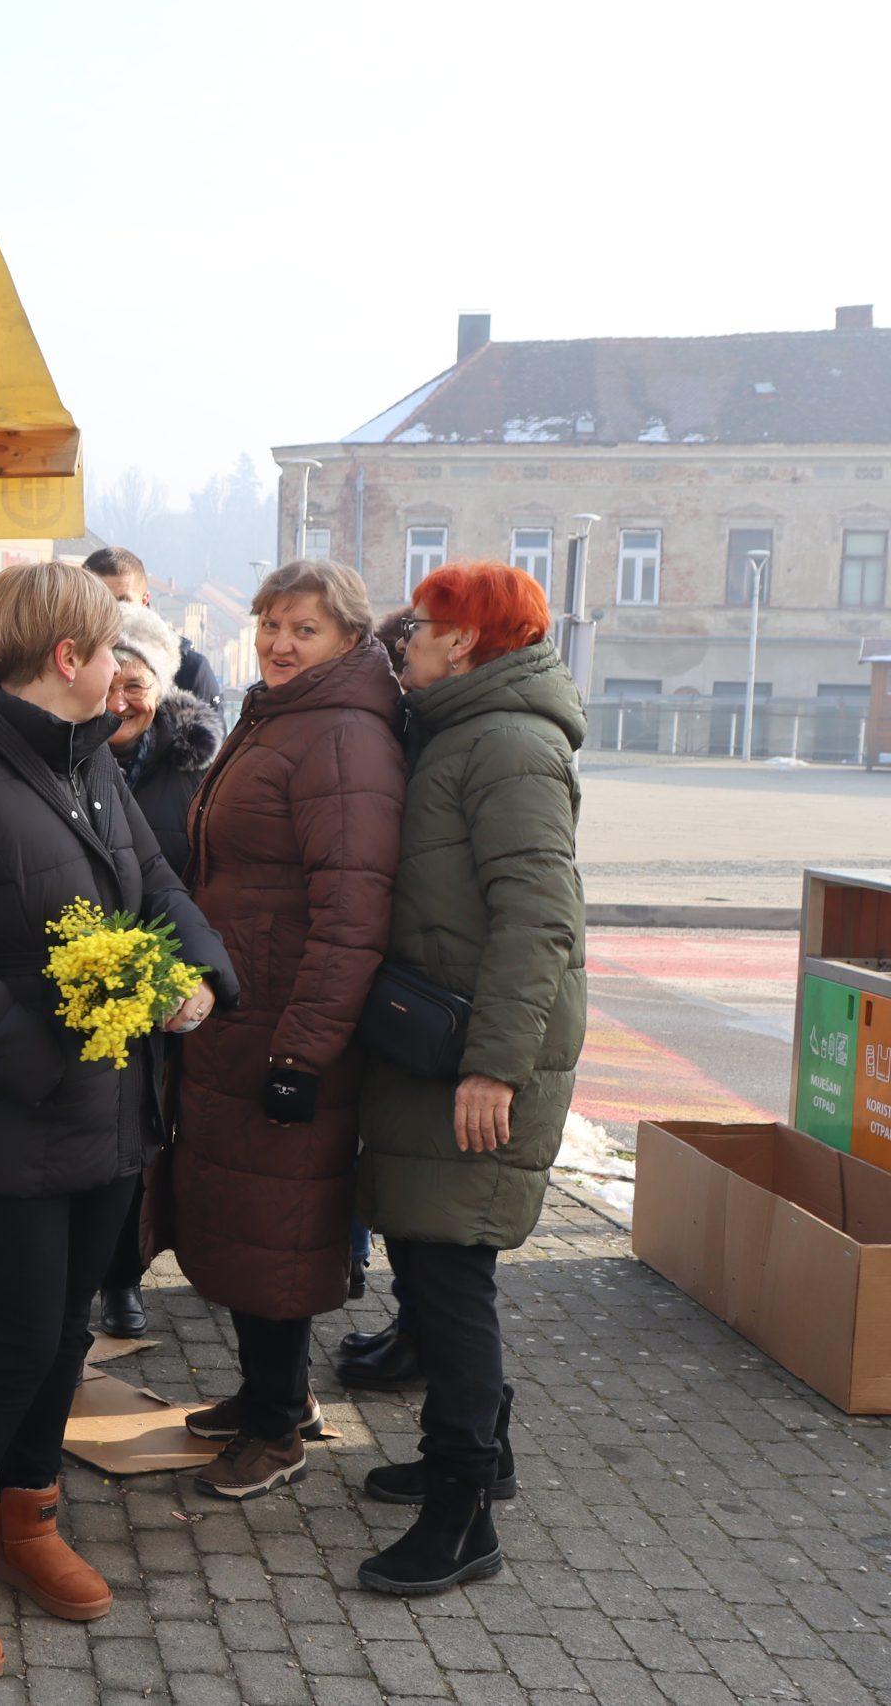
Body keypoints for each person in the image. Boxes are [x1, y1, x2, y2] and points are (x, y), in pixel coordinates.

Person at [0, 560, 233, 1680]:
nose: (128, 670)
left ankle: (27, 1518)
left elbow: (156, 885)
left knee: (70, 1333)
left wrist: (197, 971)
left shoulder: (87, 759)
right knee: (18, 1341)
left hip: (109, 1105)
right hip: (13, 1113)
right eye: (114, 649)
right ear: (69, 657)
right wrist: (38, 1059)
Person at [354, 563, 584, 1595]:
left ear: (467, 642)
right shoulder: (459, 729)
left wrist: (494, 1066)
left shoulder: (510, 746)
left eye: (424, 623)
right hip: (434, 1041)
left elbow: (539, 918)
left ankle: (462, 1518)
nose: (405, 636)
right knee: (428, 1253)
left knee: (450, 1274)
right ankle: (483, 1457)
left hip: (477, 1053)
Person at [171, 560, 405, 1501]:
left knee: (278, 1223)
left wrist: (303, 1050)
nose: (279, 642)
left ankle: (276, 1430)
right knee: (249, 1216)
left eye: (304, 629)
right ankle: (273, 1392)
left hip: (285, 1026)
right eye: (271, 623)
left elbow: (352, 913)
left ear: (348, 638)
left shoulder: (342, 735)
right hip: (244, 1015)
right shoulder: (282, 715)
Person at [91, 600, 224, 1340]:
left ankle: (123, 1278)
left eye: (135, 684)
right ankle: (95, 1267)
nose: (120, 700)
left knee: (145, 1135)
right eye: (110, 681)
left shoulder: (193, 762)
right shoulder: (69, 751)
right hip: (86, 971)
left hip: (166, 975)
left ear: (162, 685)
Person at [338, 602, 425, 1390]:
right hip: (399, 975)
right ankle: (412, 1327)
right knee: (397, 1165)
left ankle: (426, 1342)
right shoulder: (411, 726)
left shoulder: (453, 734)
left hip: (428, 993)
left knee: (432, 1199)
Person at [83, 545, 224, 713]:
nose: (112, 611)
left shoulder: (189, 670)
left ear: (144, 601)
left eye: (123, 602)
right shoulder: (68, 662)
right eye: (101, 601)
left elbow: (208, 728)